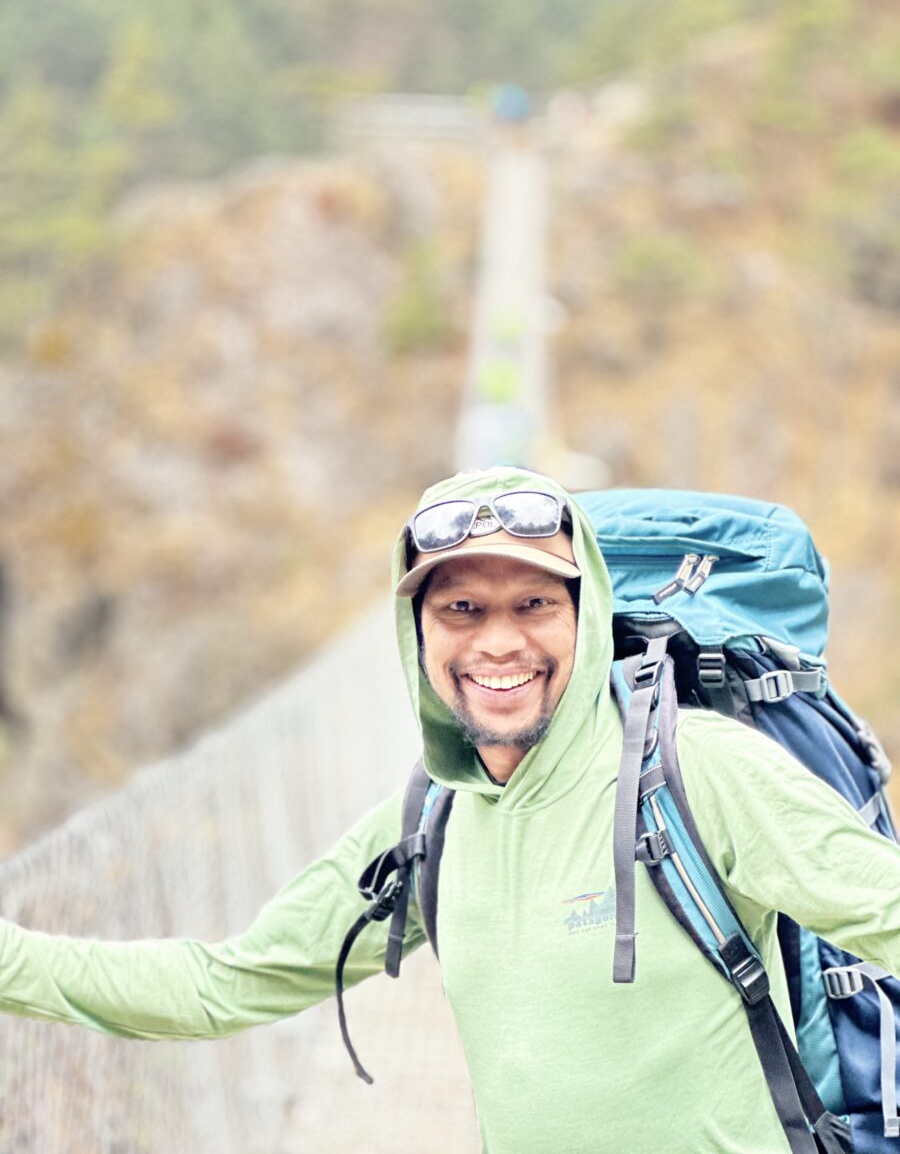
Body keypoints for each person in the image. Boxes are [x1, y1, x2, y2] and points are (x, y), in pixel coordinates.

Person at [0, 464, 899, 1154]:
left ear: (584, 621)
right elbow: (221, 985)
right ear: (418, 632)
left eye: (535, 604)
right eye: (462, 608)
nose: (499, 641)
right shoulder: (429, 821)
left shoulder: (705, 773)